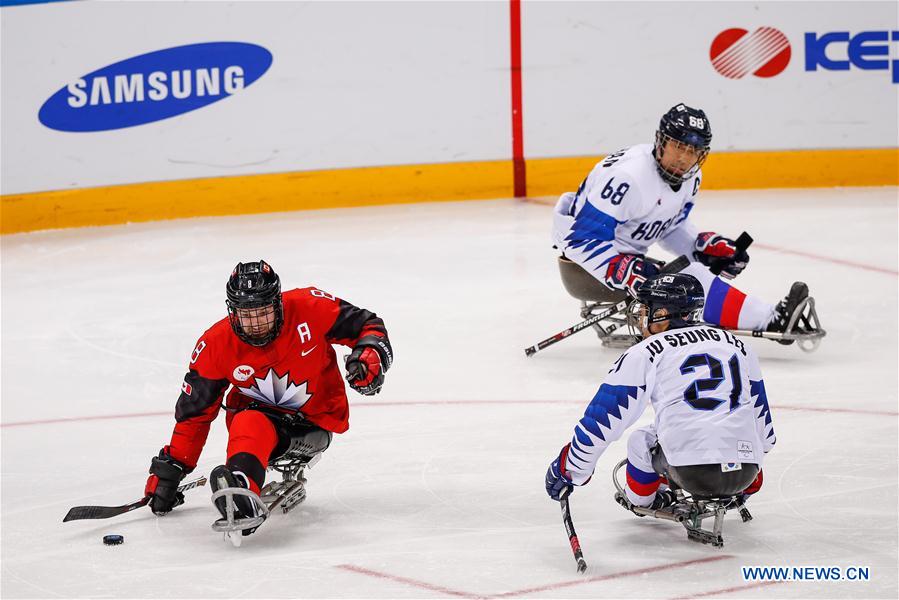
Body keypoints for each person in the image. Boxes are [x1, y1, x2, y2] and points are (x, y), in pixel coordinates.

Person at [143, 260, 393, 534]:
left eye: (263, 312)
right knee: (249, 420)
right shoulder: (215, 345)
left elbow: (368, 325)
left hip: (312, 423)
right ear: (232, 311)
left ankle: (240, 486)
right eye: (246, 314)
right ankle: (240, 488)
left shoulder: (310, 306)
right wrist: (173, 468)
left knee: (250, 420)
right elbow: (194, 414)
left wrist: (370, 356)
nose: (256, 324)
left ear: (278, 303)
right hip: (255, 422)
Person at [551, 102, 812, 343]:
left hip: (623, 258)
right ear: (661, 141)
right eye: (678, 146)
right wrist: (620, 267)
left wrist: (700, 248)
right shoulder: (628, 178)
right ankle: (771, 321)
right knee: (690, 280)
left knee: (693, 272)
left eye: (693, 151)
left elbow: (668, 227)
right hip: (582, 268)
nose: (683, 158)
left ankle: (769, 318)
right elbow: (580, 240)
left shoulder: (690, 178)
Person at [545, 273, 773, 510]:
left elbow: (603, 419)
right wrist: (751, 470)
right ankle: (738, 483)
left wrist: (571, 469)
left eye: (645, 311)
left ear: (663, 315)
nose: (640, 318)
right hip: (746, 471)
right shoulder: (738, 344)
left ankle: (644, 500)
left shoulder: (647, 351)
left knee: (641, 440)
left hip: (691, 470)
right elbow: (763, 425)